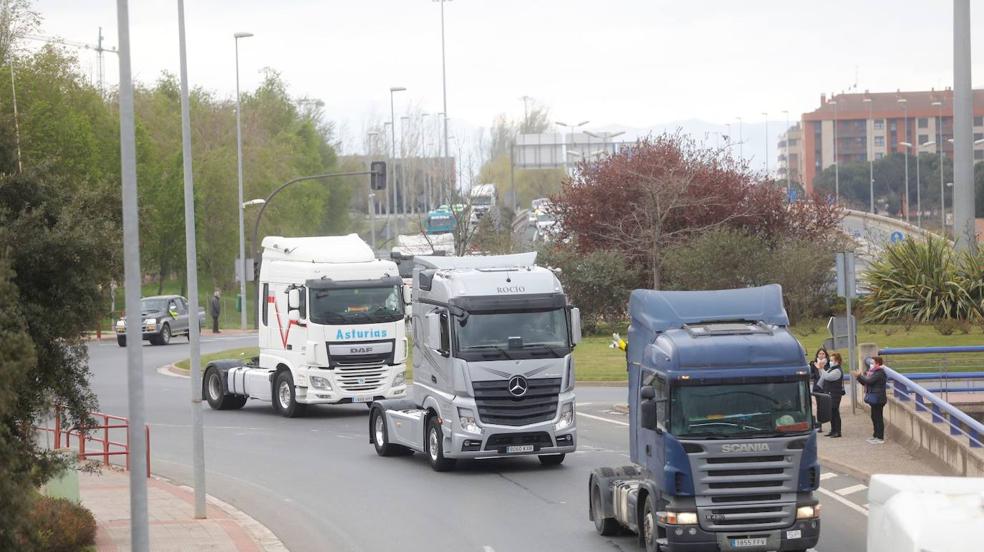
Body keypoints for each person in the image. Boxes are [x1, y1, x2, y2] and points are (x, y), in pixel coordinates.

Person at [854, 356, 888, 444]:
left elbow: (869, 381)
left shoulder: (879, 372)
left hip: (879, 399)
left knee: (878, 417)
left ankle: (880, 437)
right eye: (871, 363)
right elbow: (866, 382)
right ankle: (875, 435)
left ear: (878, 364)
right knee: (874, 417)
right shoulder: (872, 372)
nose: (871, 365)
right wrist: (858, 377)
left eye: (873, 363)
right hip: (874, 398)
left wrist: (860, 376)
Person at [817, 352, 845, 438]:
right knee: (831, 413)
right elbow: (823, 376)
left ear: (837, 361)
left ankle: (837, 431)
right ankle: (833, 430)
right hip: (830, 394)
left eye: (832, 360)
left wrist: (822, 369)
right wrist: (820, 369)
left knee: (835, 413)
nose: (830, 362)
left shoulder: (837, 370)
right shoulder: (831, 368)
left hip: (835, 394)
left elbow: (828, 377)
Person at [808, 347, 829, 430]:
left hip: (826, 387)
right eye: (820, 353)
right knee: (819, 406)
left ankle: (831, 425)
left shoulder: (828, 364)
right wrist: (816, 375)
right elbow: (811, 374)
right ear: (817, 355)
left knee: (826, 406)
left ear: (825, 355)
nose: (821, 355)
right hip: (817, 387)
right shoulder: (813, 364)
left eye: (823, 353)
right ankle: (819, 425)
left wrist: (822, 368)